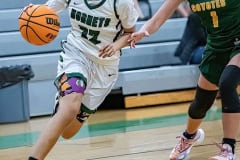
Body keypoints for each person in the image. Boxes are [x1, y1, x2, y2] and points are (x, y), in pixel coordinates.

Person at [27, 0, 138, 160]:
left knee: (67, 132)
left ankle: (65, 107)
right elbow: (45, 11)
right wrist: (31, 13)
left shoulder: (121, 3)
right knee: (71, 107)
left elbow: (130, 34)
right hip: (76, 54)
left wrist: (115, 46)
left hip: (105, 68)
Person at [129, 0, 240, 159]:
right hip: (217, 46)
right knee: (200, 104)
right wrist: (144, 31)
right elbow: (157, 19)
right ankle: (189, 137)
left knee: (227, 84)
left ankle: (228, 149)